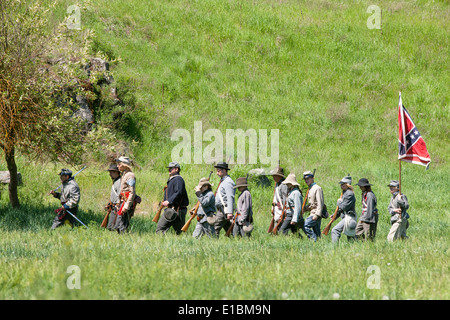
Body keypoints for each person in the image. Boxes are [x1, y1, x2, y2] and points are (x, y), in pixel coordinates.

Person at [156, 161, 189, 235]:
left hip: (177, 210)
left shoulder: (178, 179)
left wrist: (169, 201)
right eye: (169, 168)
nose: (169, 170)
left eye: (171, 168)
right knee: (177, 233)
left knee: (179, 233)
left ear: (176, 169)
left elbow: (179, 192)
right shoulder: (173, 179)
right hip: (171, 209)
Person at [331, 175, 357, 243]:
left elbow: (344, 207)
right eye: (341, 184)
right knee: (351, 239)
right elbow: (341, 208)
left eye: (343, 184)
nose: (341, 185)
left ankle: (334, 247)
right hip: (346, 217)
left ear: (347, 184)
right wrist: (335, 215)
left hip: (349, 217)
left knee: (335, 230)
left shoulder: (349, 194)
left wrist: (339, 202)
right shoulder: (345, 193)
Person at [213, 162, 236, 237]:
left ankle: (213, 243)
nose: (217, 173)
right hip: (221, 209)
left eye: (219, 170)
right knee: (229, 229)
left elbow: (230, 197)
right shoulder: (224, 181)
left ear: (224, 170)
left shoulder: (228, 182)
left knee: (214, 228)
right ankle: (236, 239)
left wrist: (229, 212)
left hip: (224, 210)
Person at [115, 156, 136, 233]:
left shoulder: (130, 175)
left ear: (124, 165)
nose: (117, 166)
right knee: (118, 224)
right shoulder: (125, 174)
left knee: (122, 224)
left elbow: (132, 192)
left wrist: (126, 206)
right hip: (123, 201)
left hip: (126, 202)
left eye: (119, 164)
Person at [302, 170, 325, 241]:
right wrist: (304, 209)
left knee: (305, 226)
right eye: (305, 179)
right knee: (317, 233)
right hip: (312, 211)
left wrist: (317, 214)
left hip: (315, 213)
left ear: (312, 178)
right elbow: (311, 204)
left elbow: (320, 203)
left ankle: (313, 240)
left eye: (308, 179)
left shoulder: (317, 188)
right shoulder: (310, 188)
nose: (306, 180)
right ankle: (318, 244)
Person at [104, 163, 121, 231]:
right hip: (113, 206)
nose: (110, 174)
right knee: (110, 227)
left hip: (117, 207)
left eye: (111, 172)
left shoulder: (119, 182)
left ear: (116, 172)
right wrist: (109, 203)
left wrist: (118, 205)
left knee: (114, 227)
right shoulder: (116, 181)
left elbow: (120, 195)